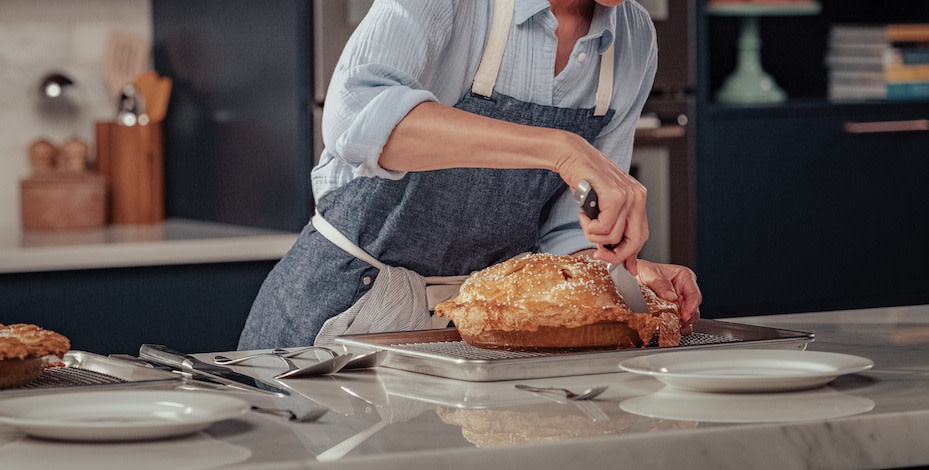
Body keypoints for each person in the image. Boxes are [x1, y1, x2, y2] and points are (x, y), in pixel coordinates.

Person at [238, 0, 701, 350]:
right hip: (336, 323)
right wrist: (559, 148)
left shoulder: (633, 37)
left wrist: (625, 279)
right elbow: (355, 113)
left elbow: (563, 235)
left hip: (473, 338)